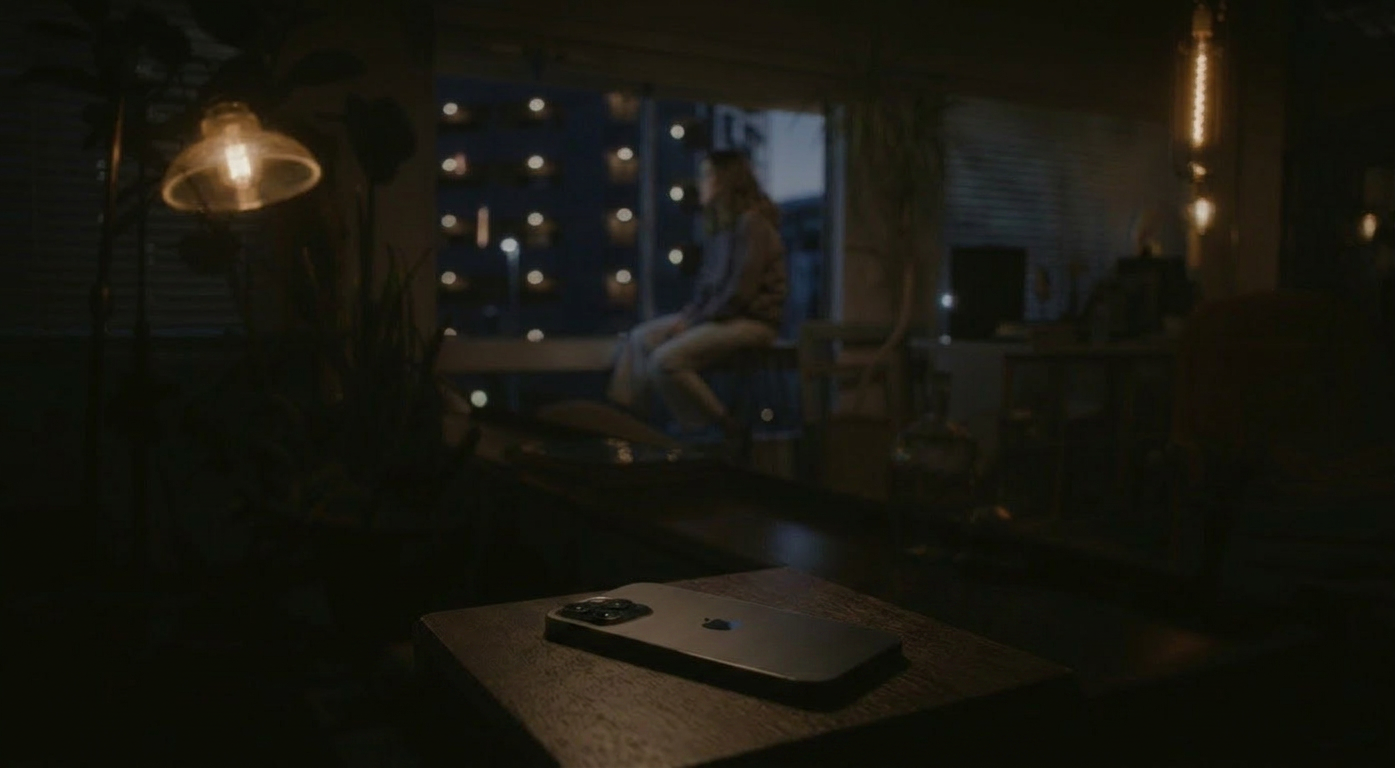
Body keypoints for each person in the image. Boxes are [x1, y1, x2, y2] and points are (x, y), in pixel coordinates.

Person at [607, 150, 787, 439]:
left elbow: (740, 293)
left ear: (723, 181)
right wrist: (692, 316)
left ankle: (720, 425)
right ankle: (627, 423)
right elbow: (708, 289)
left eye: (707, 176)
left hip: (752, 322)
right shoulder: (722, 229)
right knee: (640, 338)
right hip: (720, 318)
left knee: (665, 360)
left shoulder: (752, 224)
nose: (700, 183)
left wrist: (694, 322)